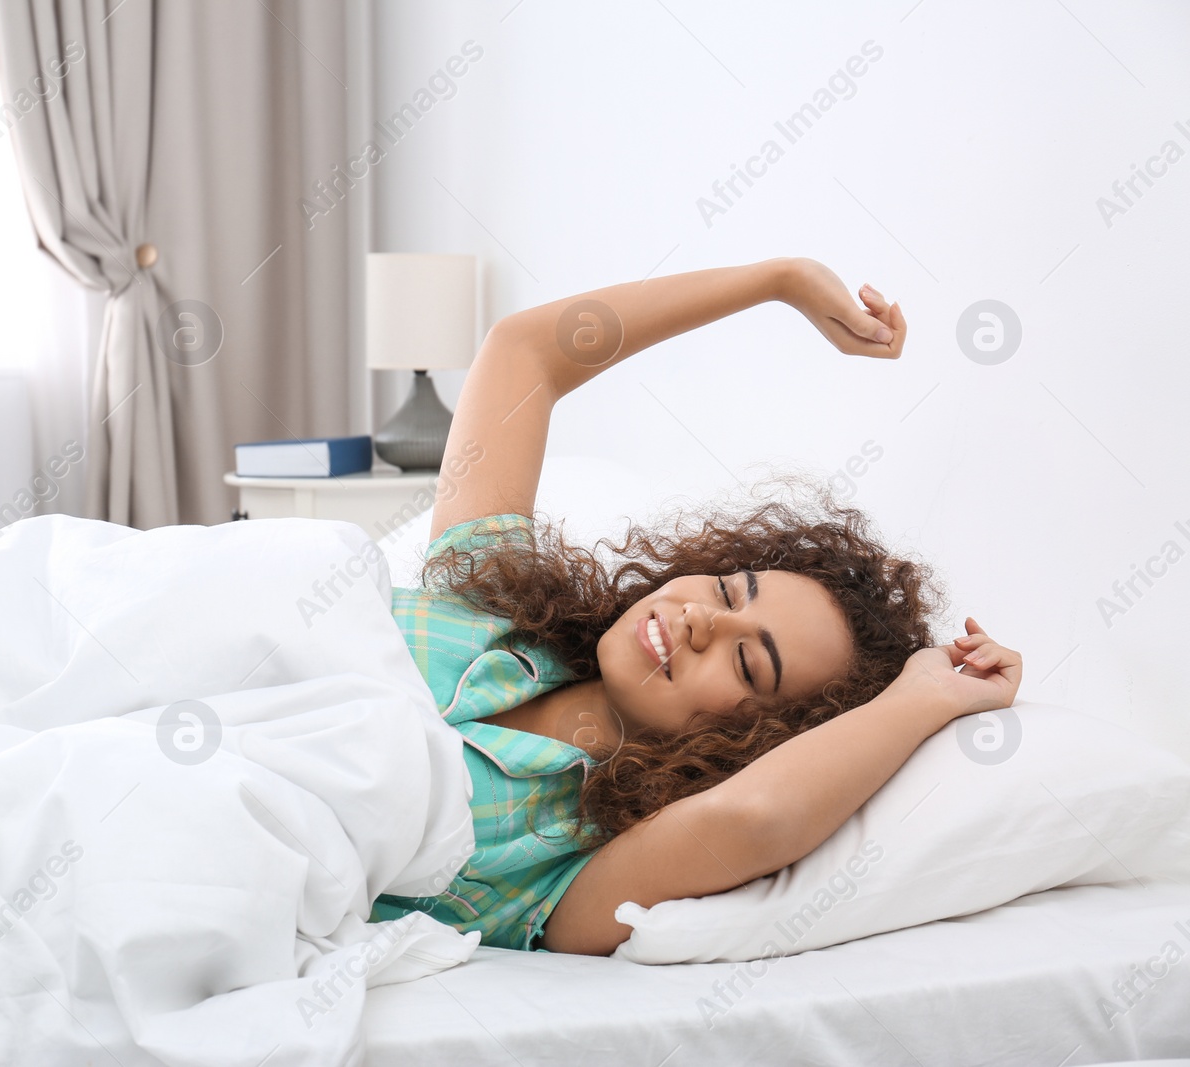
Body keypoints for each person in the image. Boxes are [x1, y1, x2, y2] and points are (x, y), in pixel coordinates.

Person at [369, 257, 1023, 957]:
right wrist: (778, 281)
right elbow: (523, 351)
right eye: (727, 589)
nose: (702, 620)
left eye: (747, 662)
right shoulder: (494, 597)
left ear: (756, 740)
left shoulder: (569, 860)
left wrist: (919, 697)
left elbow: (752, 818)